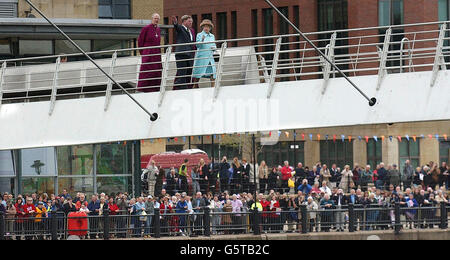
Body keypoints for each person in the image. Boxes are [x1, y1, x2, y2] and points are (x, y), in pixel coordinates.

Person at [137, 13, 163, 92]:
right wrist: (144, 52)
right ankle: (144, 88)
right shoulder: (146, 28)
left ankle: (155, 88)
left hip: (156, 53)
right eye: (155, 18)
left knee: (156, 70)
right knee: (147, 69)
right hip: (148, 53)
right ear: (152, 19)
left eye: (158, 19)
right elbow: (140, 41)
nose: (156, 20)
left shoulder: (158, 29)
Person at [171, 15, 196, 90]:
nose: (191, 23)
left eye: (191, 21)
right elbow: (176, 27)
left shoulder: (191, 30)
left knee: (189, 72)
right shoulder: (181, 28)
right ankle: (182, 89)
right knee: (182, 72)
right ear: (184, 21)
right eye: (189, 21)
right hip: (182, 54)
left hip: (190, 55)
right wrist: (175, 22)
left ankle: (186, 87)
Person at [192, 19, 217, 88]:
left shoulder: (212, 36)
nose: (206, 28)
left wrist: (214, 48)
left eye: (208, 27)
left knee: (213, 73)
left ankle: (213, 88)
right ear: (202, 27)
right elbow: (198, 46)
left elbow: (214, 45)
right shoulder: (199, 35)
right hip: (202, 57)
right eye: (205, 26)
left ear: (210, 28)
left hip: (210, 57)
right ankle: (195, 86)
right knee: (198, 73)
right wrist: (202, 40)